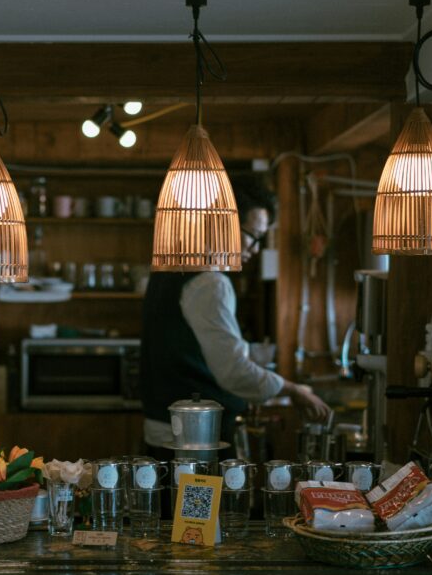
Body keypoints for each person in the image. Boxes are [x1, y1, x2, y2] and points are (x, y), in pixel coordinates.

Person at [139, 182, 331, 454]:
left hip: (168, 432)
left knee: (167, 498)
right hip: (195, 442)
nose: (255, 248)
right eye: (253, 235)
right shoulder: (210, 283)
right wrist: (293, 390)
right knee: (199, 499)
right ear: (224, 225)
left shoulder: (169, 267)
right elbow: (234, 372)